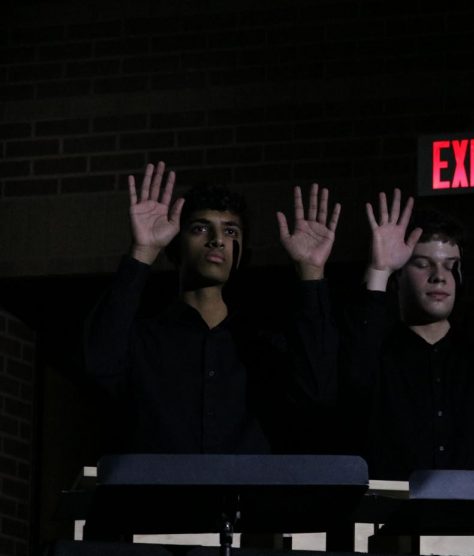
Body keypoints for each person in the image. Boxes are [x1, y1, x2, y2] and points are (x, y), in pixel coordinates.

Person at [83, 161, 341, 454]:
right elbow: (99, 363)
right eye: (200, 228)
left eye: (231, 232)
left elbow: (318, 393)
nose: (217, 240)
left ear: (241, 255)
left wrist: (311, 272)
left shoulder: (264, 347)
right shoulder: (145, 340)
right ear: (175, 245)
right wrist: (142, 251)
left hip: (244, 500)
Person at [339, 190, 474, 479]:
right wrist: (379, 271)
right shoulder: (377, 358)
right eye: (423, 263)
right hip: (396, 522)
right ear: (398, 276)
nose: (439, 276)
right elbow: (352, 383)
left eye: (450, 265)